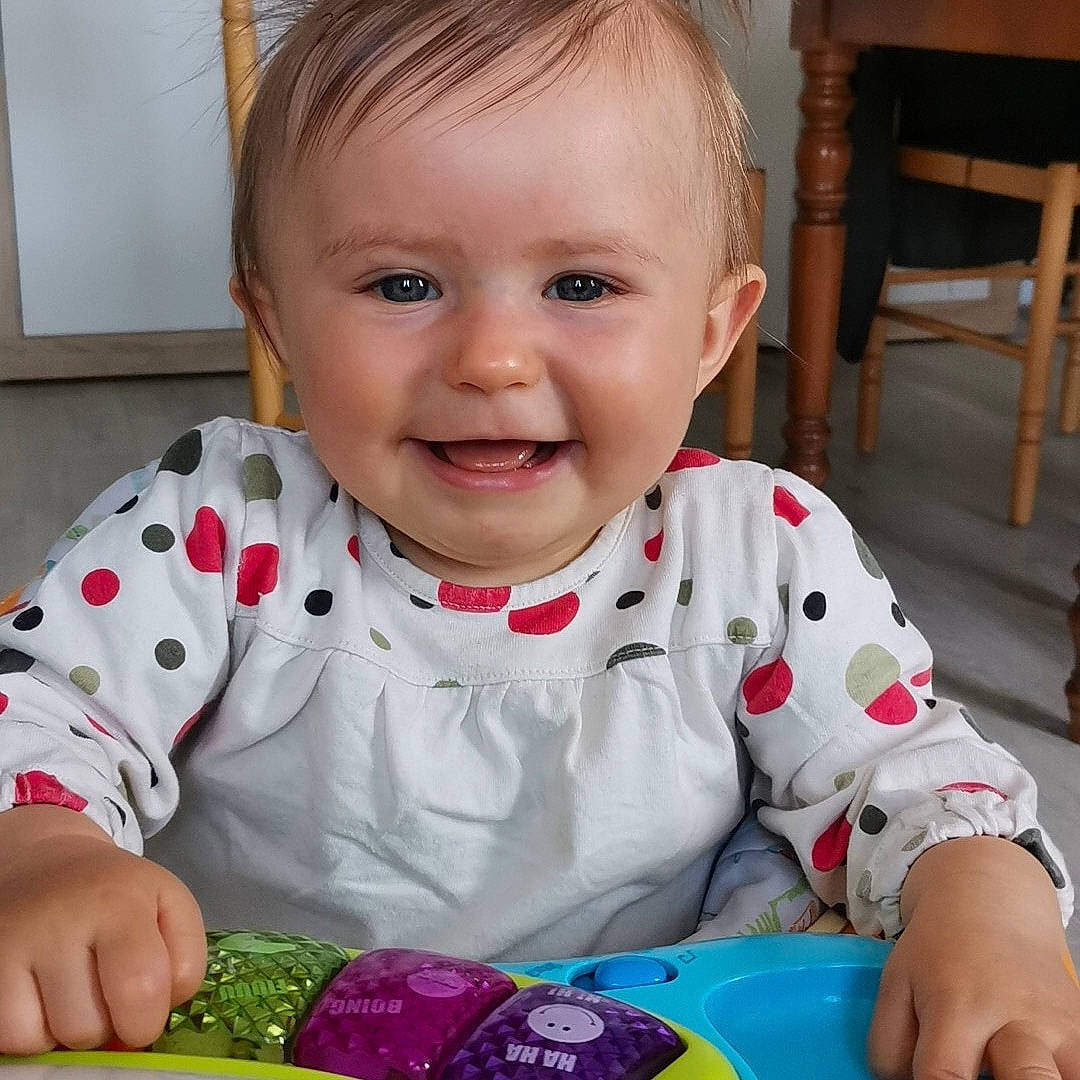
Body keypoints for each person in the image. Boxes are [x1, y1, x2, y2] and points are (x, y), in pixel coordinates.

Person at [0, 0, 1077, 1074]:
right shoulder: (217, 523)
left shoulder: (763, 553)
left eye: (581, 285)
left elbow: (905, 772)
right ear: (277, 322)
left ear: (711, 332)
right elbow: (40, 709)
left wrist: (985, 896)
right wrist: (38, 852)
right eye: (402, 284)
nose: (492, 360)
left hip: (658, 1046)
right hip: (274, 1045)